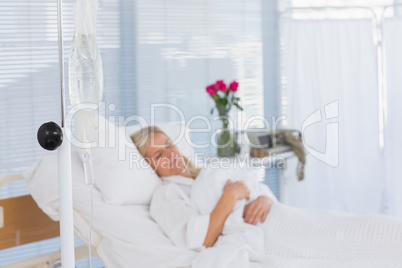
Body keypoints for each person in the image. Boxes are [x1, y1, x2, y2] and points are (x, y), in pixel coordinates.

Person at [131, 126, 276, 251]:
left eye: (169, 145)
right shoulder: (166, 195)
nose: (170, 153)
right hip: (258, 235)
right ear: (148, 166)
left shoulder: (207, 172)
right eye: (159, 155)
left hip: (271, 217)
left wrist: (265, 199)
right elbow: (203, 240)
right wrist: (230, 195)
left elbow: (253, 184)